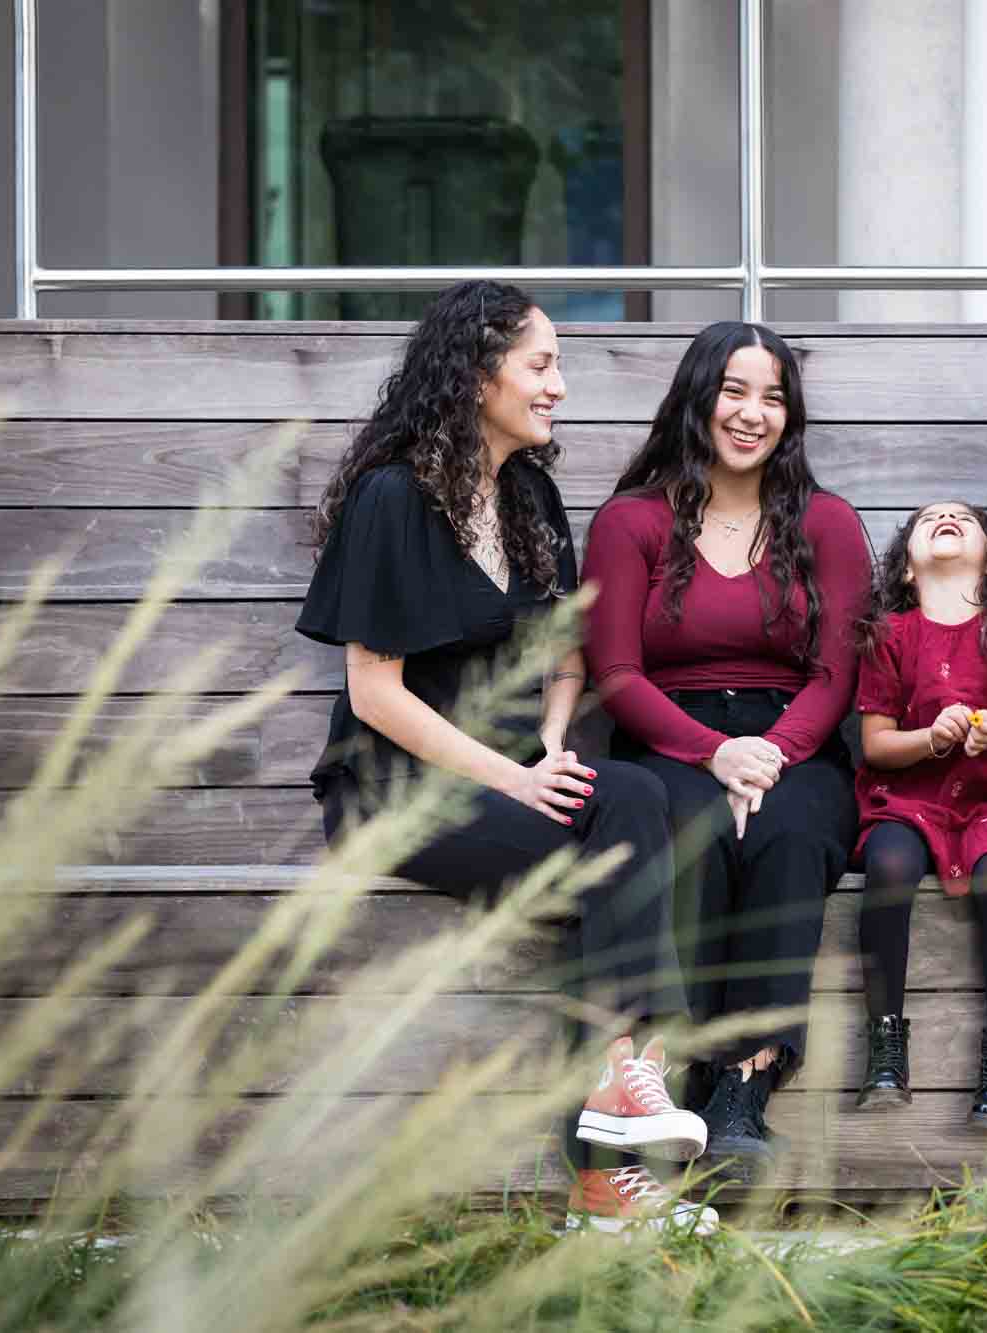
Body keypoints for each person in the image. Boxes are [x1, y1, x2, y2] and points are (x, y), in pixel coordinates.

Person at [296, 280, 712, 1234]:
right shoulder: (391, 498)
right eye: (542, 362)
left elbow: (566, 657)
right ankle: (619, 1144)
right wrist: (516, 775)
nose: (560, 384)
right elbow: (374, 693)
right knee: (626, 833)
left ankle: (616, 1105)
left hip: (514, 780)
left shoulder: (527, 492)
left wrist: (557, 738)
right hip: (399, 791)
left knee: (635, 809)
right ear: (479, 374)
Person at [581, 321, 869, 1181]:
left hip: (796, 741)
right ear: (697, 398)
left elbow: (837, 671)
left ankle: (743, 1090)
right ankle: (680, 1069)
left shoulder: (827, 522)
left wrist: (770, 754)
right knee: (692, 828)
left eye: (773, 397)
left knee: (792, 834)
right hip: (673, 736)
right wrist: (715, 754)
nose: (753, 413)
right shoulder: (630, 521)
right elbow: (616, 672)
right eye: (735, 391)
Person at [849, 501, 987, 1131]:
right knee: (887, 864)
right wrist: (931, 741)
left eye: (963, 519)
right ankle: (885, 1047)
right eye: (928, 518)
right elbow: (877, 745)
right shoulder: (890, 633)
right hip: (910, 798)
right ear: (907, 568)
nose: (946, 520)